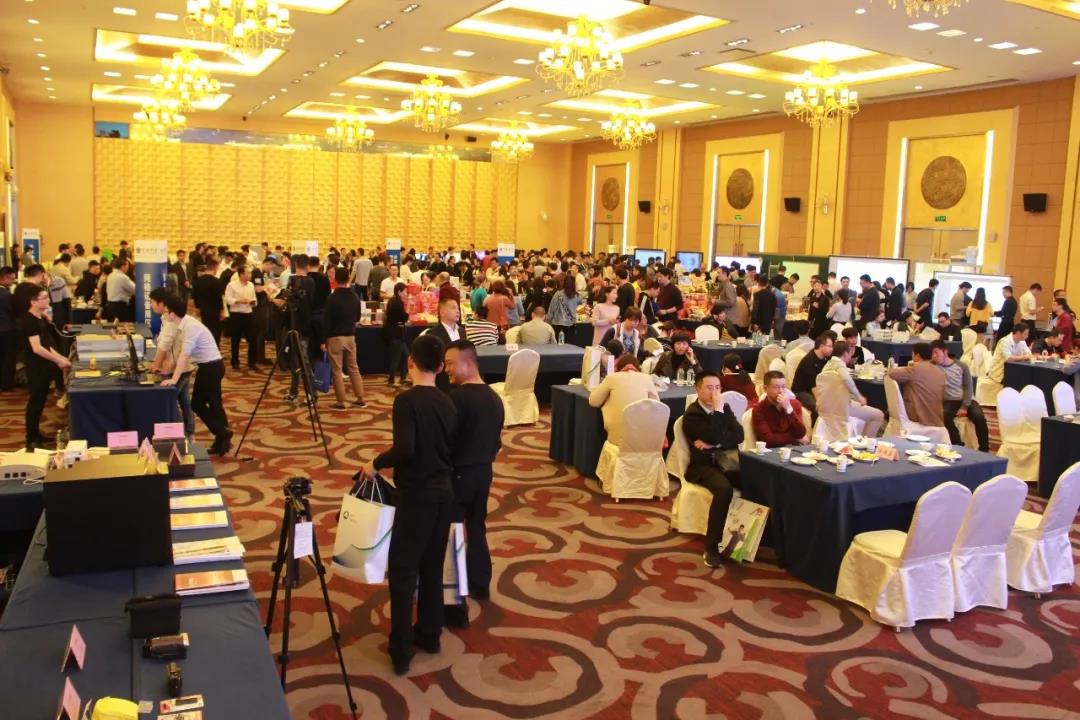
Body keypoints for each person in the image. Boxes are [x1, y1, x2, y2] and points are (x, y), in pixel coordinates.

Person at [359, 335, 457, 676]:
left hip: (417, 495)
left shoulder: (406, 401)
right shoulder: (447, 402)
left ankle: (401, 649)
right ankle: (430, 634)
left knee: (403, 571)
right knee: (431, 565)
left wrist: (374, 463)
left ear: (410, 362)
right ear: (441, 367)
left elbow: (405, 449)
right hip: (444, 493)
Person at [441, 340, 504, 626]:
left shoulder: (456, 399)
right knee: (477, 527)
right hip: (483, 473)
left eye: (451, 364)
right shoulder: (495, 398)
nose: (447, 369)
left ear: (468, 363)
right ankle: (480, 583)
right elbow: (497, 441)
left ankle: (456, 607)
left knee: (452, 535)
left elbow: (447, 441)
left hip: (458, 475)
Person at [681, 370, 745, 568]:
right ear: (698, 389)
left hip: (727, 460)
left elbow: (739, 434)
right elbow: (714, 434)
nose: (714, 393)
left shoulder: (724, 407)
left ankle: (753, 537)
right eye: (709, 388)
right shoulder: (692, 415)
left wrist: (715, 444)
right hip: (703, 465)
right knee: (724, 489)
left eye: (718, 388)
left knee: (756, 480)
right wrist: (717, 414)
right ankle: (711, 547)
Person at [160, 294, 232, 455]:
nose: (164, 315)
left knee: (201, 404)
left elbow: (184, 355)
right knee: (210, 404)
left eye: (165, 312)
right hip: (209, 366)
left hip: (211, 367)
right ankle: (222, 438)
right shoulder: (185, 323)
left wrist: (174, 379)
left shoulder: (190, 327)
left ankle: (222, 434)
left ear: (172, 314)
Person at [21, 286, 71, 448]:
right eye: (43, 298)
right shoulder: (29, 320)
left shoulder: (40, 318)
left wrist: (61, 358)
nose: (47, 300)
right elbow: (37, 348)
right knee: (35, 402)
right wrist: (57, 360)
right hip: (36, 367)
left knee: (41, 401)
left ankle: (36, 434)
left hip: (44, 365)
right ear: (33, 301)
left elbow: (47, 345)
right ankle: (31, 438)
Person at [148, 288, 195, 440]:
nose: (151, 305)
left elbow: (164, 345)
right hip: (184, 365)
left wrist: (156, 366)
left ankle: (182, 436)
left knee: (171, 401)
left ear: (162, 303)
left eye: (152, 302)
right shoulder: (168, 317)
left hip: (180, 367)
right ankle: (189, 432)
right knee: (184, 399)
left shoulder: (171, 320)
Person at [931, 340, 989, 452]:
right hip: (949, 401)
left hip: (966, 399)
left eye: (936, 352)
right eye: (932, 353)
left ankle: (984, 448)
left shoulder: (961, 366)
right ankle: (958, 444)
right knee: (944, 415)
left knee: (979, 417)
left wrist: (964, 407)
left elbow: (968, 388)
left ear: (945, 352)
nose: (934, 356)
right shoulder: (934, 366)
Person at [589, 354, 659, 445]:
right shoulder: (647, 379)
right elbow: (657, 406)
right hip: (642, 438)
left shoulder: (612, 378)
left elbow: (593, 401)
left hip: (616, 438)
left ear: (617, 367)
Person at [820, 339, 885, 438]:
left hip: (827, 405)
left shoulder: (827, 365)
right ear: (846, 353)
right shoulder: (839, 365)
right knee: (878, 415)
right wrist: (859, 396)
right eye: (850, 354)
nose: (851, 357)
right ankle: (865, 442)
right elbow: (847, 379)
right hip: (841, 407)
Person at [323, 267, 366, 409]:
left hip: (335, 337)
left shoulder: (331, 298)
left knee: (337, 370)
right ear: (348, 279)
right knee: (354, 368)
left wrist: (323, 340)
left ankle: (341, 402)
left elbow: (327, 321)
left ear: (335, 279)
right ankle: (360, 398)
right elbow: (358, 318)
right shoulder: (355, 297)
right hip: (350, 336)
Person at [887, 342, 946, 428]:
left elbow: (892, 373)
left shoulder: (915, 368)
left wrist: (906, 366)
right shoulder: (941, 373)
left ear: (917, 355)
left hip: (918, 417)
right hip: (937, 418)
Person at [752, 371, 807, 447]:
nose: (781, 391)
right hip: (772, 451)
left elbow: (801, 433)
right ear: (765, 388)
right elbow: (768, 440)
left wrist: (789, 409)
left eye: (783, 387)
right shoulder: (759, 409)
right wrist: (794, 437)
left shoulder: (794, 404)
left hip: (794, 449)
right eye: (776, 387)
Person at [791, 332, 836, 418]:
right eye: (830, 346)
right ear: (821, 346)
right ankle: (814, 425)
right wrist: (820, 402)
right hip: (801, 392)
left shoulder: (824, 358)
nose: (832, 349)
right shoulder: (809, 361)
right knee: (818, 408)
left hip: (816, 389)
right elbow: (813, 386)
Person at [224, 265, 257, 369]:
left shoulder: (251, 285)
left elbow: (254, 299)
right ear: (241, 274)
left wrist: (253, 302)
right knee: (236, 339)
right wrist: (239, 301)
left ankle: (252, 362)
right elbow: (228, 299)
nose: (250, 275)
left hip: (248, 314)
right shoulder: (232, 285)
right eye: (248, 273)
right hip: (236, 315)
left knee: (252, 338)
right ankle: (235, 362)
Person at [382, 282, 410, 387]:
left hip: (394, 333)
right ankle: (391, 380)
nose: (406, 293)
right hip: (396, 334)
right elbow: (403, 318)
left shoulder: (392, 300)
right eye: (405, 291)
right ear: (399, 292)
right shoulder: (398, 303)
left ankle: (403, 377)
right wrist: (408, 309)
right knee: (396, 358)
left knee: (405, 356)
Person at [192, 260, 224, 344]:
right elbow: (219, 298)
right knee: (215, 330)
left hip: (202, 309)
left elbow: (194, 296)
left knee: (204, 328)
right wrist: (222, 310)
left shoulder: (197, 281)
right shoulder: (217, 281)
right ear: (214, 268)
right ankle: (214, 348)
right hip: (214, 310)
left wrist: (197, 308)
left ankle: (205, 346)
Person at [547, 275, 582, 342]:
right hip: (571, 324)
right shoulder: (577, 295)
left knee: (559, 345)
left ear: (564, 283)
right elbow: (580, 305)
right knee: (569, 344)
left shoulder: (558, 294)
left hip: (558, 324)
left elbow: (551, 309)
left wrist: (548, 321)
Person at [105, 256, 136, 323]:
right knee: (121, 327)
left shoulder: (110, 275)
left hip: (110, 305)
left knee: (112, 326)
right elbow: (134, 290)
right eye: (127, 265)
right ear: (122, 266)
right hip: (119, 307)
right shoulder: (123, 277)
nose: (128, 267)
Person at [0, 267, 15, 392]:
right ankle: (6, 384)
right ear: (4, 278)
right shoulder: (6, 295)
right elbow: (13, 312)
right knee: (8, 358)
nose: (13, 281)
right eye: (12, 279)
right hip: (7, 329)